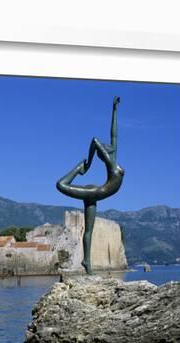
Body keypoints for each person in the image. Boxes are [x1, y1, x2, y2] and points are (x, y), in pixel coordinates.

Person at [56, 96, 124, 274]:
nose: (110, 145)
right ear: (105, 153)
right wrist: (89, 164)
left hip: (94, 195)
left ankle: (87, 262)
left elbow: (114, 133)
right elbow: (95, 141)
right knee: (60, 185)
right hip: (95, 192)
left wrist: (114, 110)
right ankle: (78, 168)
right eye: (107, 147)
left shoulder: (113, 157)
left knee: (89, 230)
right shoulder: (110, 162)